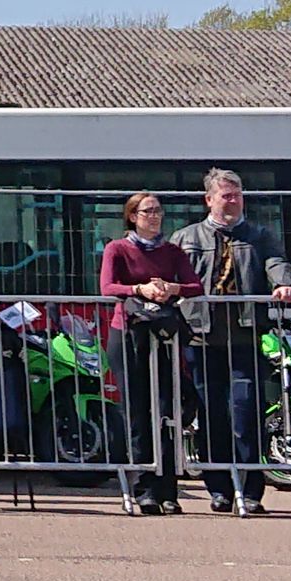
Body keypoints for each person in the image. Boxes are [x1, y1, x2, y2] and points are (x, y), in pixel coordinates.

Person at [173, 168, 291, 515]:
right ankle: (219, 489)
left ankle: (251, 489)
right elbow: (173, 276)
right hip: (201, 340)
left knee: (246, 415)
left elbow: (278, 262)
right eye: (226, 195)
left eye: (237, 194)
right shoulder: (186, 237)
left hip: (245, 338)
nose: (233, 201)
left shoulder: (259, 234)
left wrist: (282, 283)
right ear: (209, 199)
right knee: (211, 417)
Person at [99, 193, 202, 515]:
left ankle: (168, 489)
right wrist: (138, 289)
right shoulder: (117, 248)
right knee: (137, 411)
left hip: (164, 335)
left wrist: (172, 289)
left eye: (158, 211)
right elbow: (107, 287)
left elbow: (195, 286)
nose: (154, 216)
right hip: (128, 333)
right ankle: (143, 488)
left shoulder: (171, 251)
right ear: (132, 216)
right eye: (147, 211)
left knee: (166, 411)